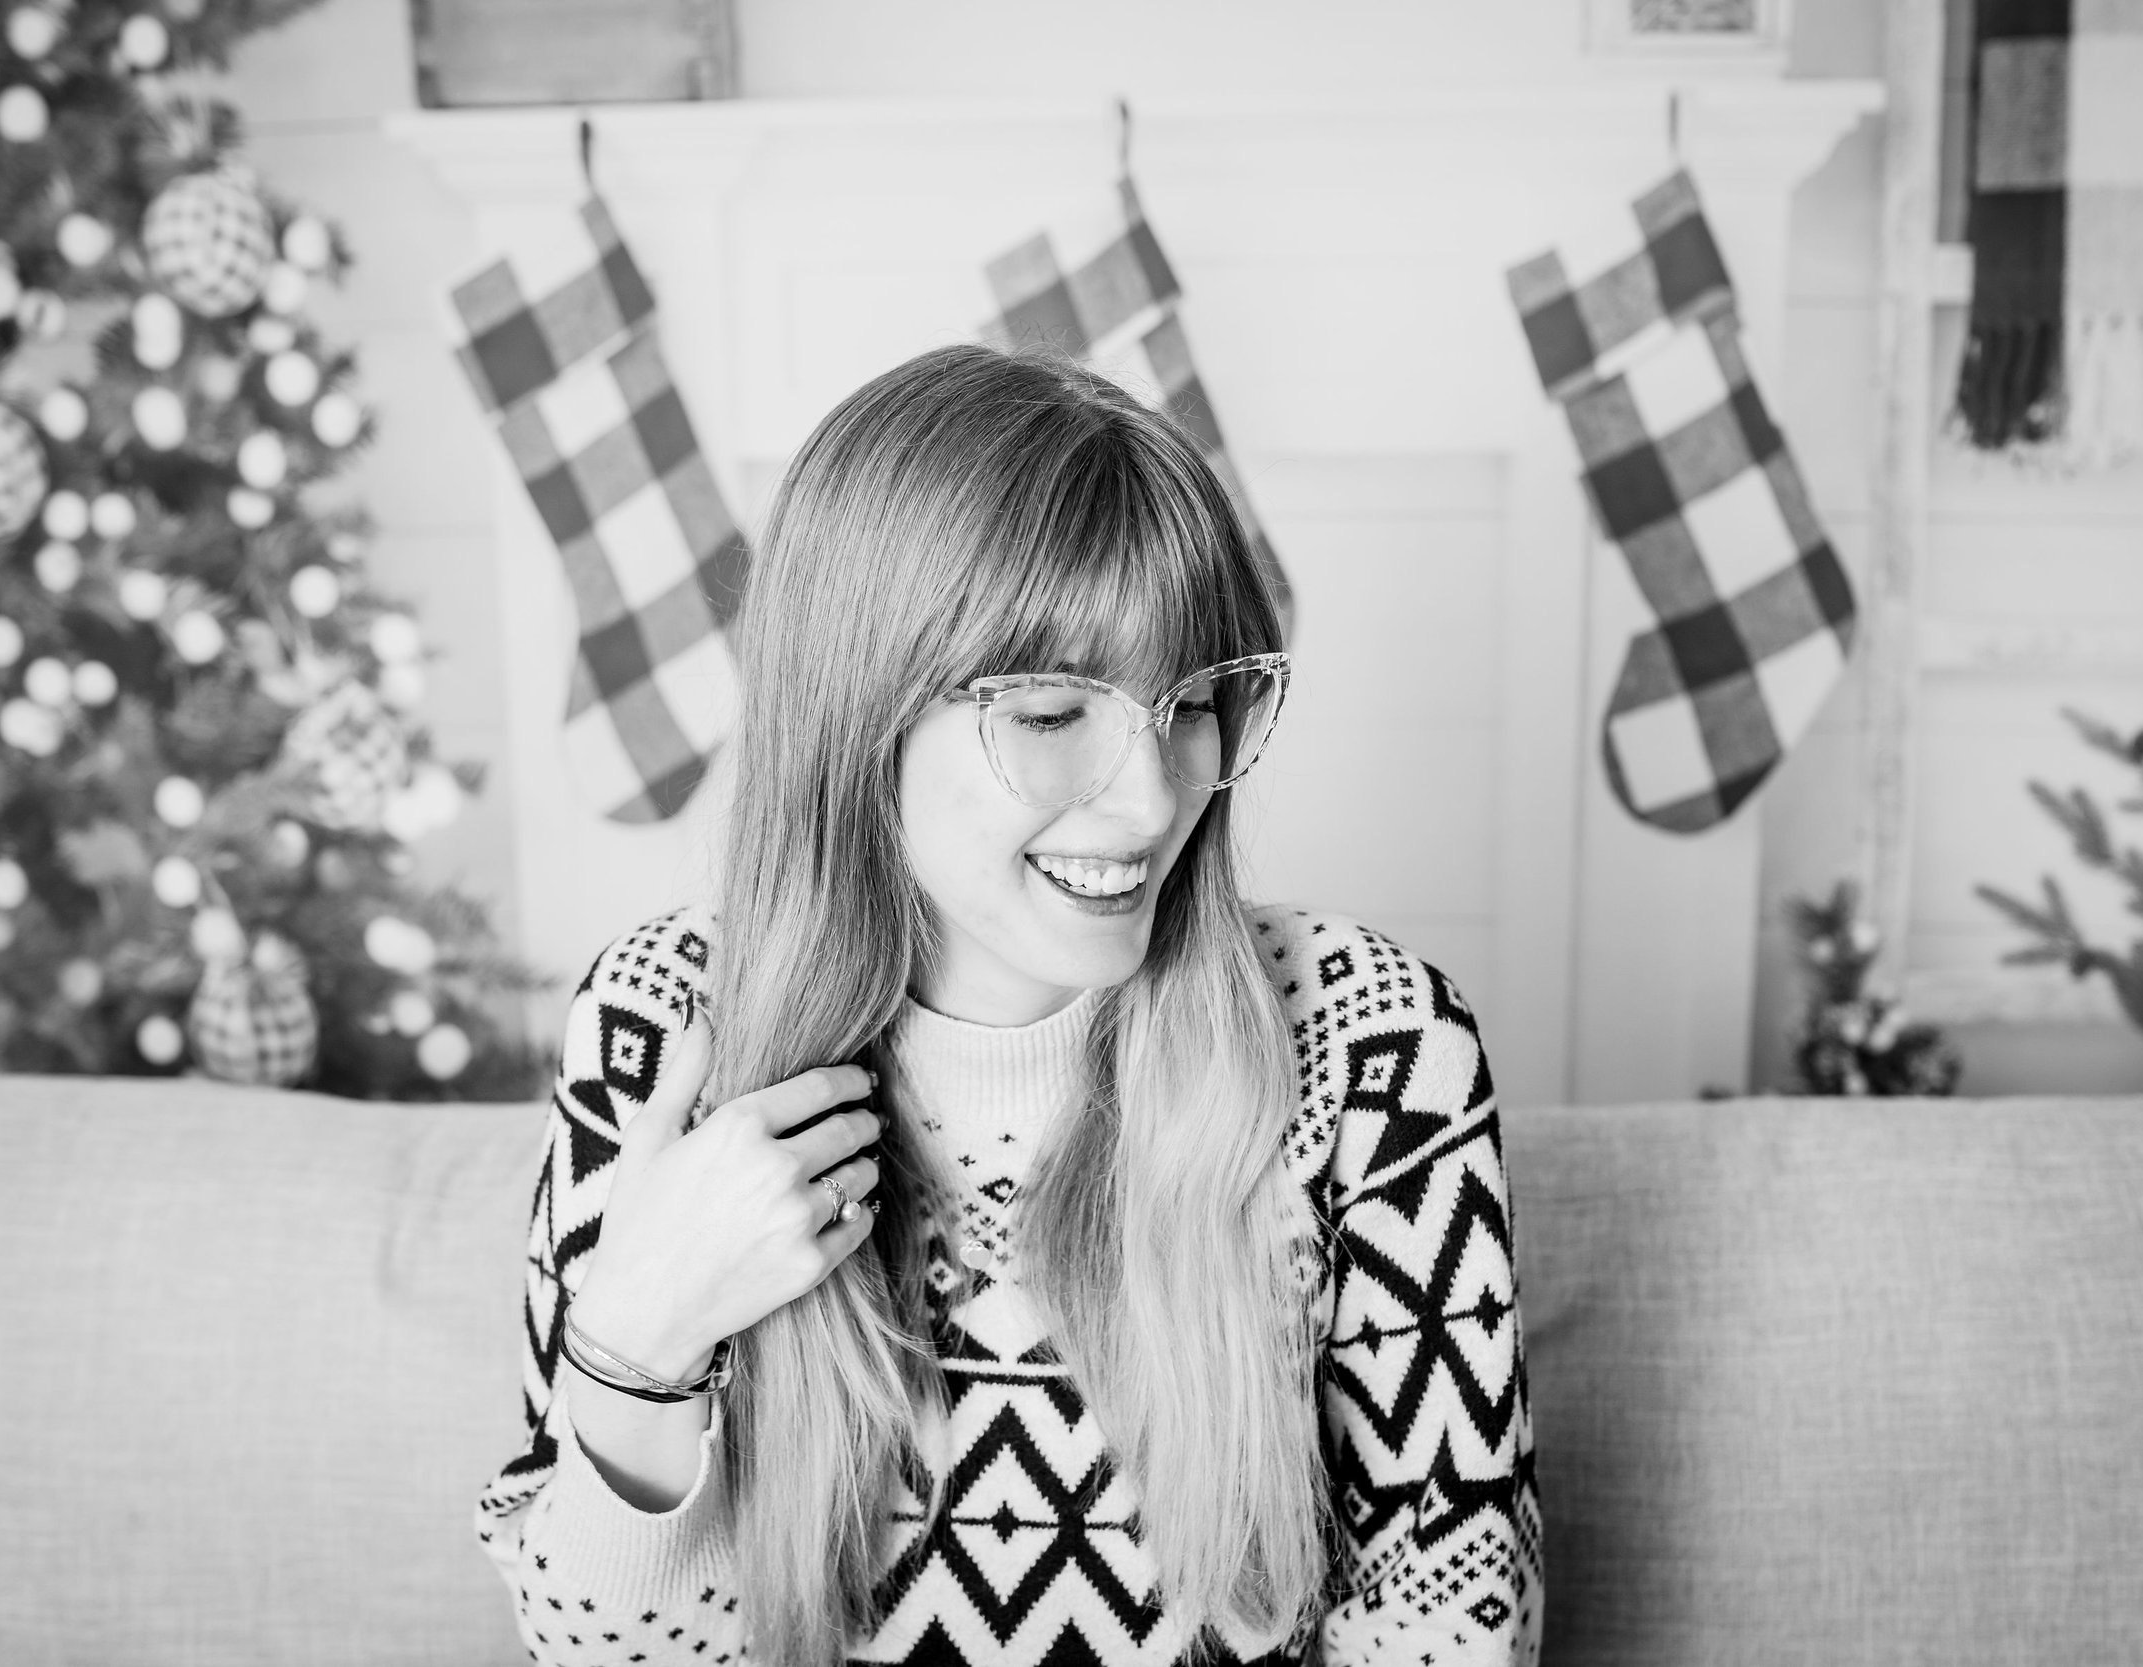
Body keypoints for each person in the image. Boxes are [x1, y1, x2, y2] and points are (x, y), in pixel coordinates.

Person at [472, 343, 1542, 1667]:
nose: (1155, 800)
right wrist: (638, 1344)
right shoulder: (661, 1027)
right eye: (1049, 714)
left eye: (1197, 703)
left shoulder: (1376, 1041)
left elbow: (1458, 1627)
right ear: (856, 712)